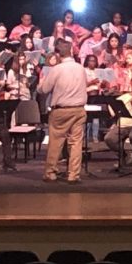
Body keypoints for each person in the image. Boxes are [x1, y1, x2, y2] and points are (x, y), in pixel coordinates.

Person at [37, 40, 87, 183]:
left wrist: (40, 85)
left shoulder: (56, 69)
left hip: (61, 110)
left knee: (56, 142)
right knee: (76, 143)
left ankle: (51, 173)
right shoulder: (80, 68)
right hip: (78, 109)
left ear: (58, 54)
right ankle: (73, 175)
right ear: (71, 51)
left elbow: (44, 89)